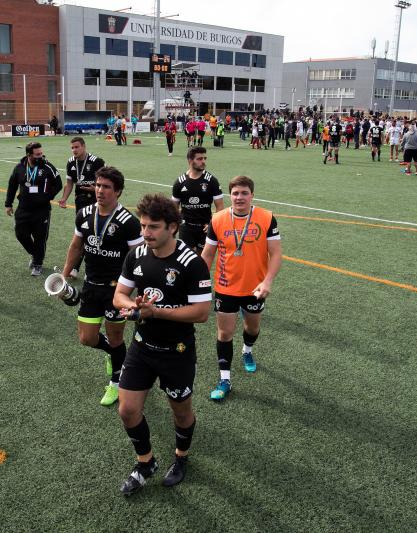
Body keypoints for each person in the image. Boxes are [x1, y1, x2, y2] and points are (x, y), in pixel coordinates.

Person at [113, 193, 212, 495]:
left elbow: (202, 312)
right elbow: (119, 295)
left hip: (176, 353)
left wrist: (156, 311)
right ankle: (146, 462)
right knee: (127, 410)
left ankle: (181, 457)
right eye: (143, 225)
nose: (145, 233)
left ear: (172, 227)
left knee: (181, 412)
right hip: (142, 347)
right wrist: (131, 306)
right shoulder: (137, 255)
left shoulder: (191, 263)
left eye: (153, 227)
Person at [63, 167, 143, 405]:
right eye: (98, 185)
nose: (99, 190)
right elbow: (77, 246)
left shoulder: (129, 222)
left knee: (115, 337)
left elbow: (137, 257)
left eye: (106, 187)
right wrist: (64, 276)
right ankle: (114, 354)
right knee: (86, 338)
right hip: (90, 285)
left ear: (117, 191)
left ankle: (116, 383)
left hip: (116, 290)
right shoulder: (84, 213)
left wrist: (131, 288)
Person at [201, 176, 282, 401]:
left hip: (255, 288)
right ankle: (225, 378)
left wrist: (267, 281)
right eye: (235, 193)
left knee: (252, 327)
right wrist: (198, 283)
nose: (239, 197)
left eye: (244, 193)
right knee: (225, 333)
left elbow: (275, 253)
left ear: (252, 195)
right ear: (230, 195)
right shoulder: (218, 219)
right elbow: (207, 255)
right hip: (226, 286)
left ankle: (247, 350)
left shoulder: (266, 218)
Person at [5, 142, 63, 276]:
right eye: (37, 155)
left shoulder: (48, 167)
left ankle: (37, 263)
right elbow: (12, 185)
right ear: (29, 155)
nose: (40, 156)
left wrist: (47, 197)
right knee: (20, 234)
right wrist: (8, 204)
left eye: (41, 153)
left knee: (40, 238)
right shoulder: (19, 167)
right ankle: (35, 254)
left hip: (41, 210)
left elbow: (58, 184)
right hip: (23, 208)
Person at [58, 137, 106, 277]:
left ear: (84, 147)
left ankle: (78, 268)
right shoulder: (70, 162)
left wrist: (95, 189)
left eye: (77, 147)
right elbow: (69, 183)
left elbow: (105, 182)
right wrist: (64, 198)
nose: (74, 150)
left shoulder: (97, 161)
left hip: (96, 201)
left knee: (92, 234)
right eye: (72, 148)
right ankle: (78, 268)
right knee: (83, 234)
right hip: (80, 202)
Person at [171, 146, 225, 253]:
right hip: (186, 227)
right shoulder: (179, 182)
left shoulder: (212, 181)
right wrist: (176, 224)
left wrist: (212, 224)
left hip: (205, 227)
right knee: (186, 259)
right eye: (199, 159)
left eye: (205, 158)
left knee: (202, 259)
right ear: (190, 161)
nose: (203, 161)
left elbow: (220, 207)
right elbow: (173, 207)